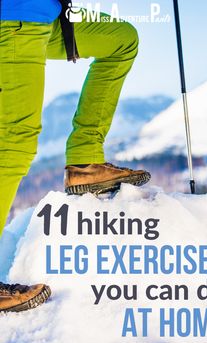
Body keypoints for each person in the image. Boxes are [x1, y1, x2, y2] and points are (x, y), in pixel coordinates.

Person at [0, 0, 151, 312]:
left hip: (49, 16)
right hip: (15, 17)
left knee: (121, 38)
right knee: (15, 141)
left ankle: (86, 161)